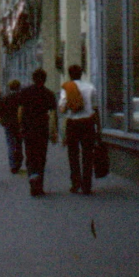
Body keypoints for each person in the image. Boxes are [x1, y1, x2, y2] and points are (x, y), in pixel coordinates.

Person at [58, 64, 98, 195]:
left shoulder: (67, 88)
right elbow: (95, 107)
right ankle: (87, 185)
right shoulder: (90, 87)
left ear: (69, 74)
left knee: (73, 154)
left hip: (73, 123)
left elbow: (62, 107)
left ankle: (75, 183)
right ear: (82, 74)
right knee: (88, 153)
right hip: (88, 123)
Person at [17, 69, 58, 196]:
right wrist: (53, 132)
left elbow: (20, 111)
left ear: (33, 79)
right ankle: (39, 185)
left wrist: (20, 126)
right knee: (41, 157)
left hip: (28, 129)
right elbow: (52, 114)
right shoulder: (49, 94)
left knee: (30, 156)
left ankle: (32, 179)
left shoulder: (25, 92)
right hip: (42, 129)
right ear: (44, 79)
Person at [0, 79, 24, 174]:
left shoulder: (5, 98)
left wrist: (2, 120)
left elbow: (0, 112)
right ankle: (18, 162)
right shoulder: (21, 98)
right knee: (19, 143)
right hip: (18, 123)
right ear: (19, 87)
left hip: (8, 123)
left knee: (10, 144)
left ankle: (12, 164)